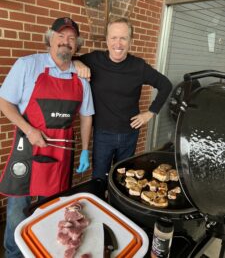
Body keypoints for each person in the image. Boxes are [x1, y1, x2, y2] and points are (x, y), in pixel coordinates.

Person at [0, 17, 94, 258]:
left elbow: (86, 116)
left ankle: (42, 251)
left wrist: (85, 149)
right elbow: (4, 102)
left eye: (71, 38)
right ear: (49, 39)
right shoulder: (27, 65)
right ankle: (13, 254)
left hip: (60, 152)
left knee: (52, 208)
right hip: (28, 147)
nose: (65, 42)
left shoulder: (82, 76)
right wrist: (30, 130)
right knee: (17, 210)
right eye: (60, 36)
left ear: (77, 45)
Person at [75, 17, 172, 182]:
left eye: (123, 38)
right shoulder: (94, 60)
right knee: (99, 178)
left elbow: (165, 85)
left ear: (130, 41)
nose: (117, 43)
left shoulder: (138, 66)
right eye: (113, 37)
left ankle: (116, 206)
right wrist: (78, 63)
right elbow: (70, 60)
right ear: (106, 40)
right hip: (102, 134)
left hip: (129, 134)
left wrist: (150, 113)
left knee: (123, 178)